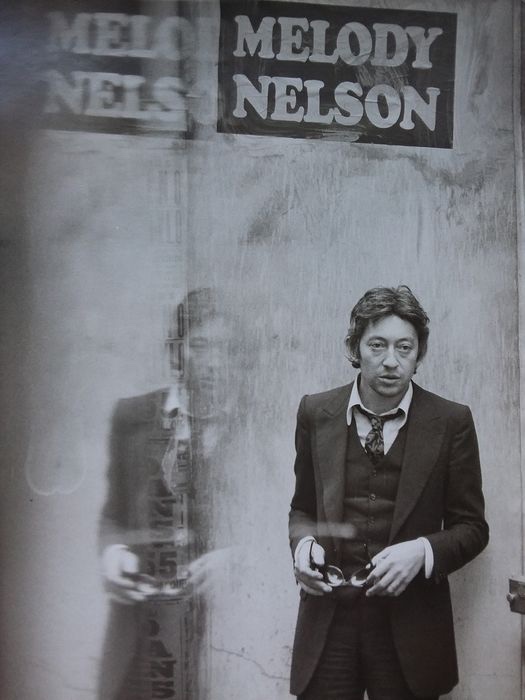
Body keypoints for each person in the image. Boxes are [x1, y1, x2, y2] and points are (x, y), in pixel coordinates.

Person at [289, 285, 489, 700]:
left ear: (419, 354)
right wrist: (303, 547)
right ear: (355, 348)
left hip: (411, 631)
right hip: (329, 623)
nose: (391, 361)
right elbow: (302, 508)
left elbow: (472, 528)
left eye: (404, 347)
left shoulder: (451, 422)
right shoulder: (316, 412)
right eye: (377, 345)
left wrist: (422, 552)